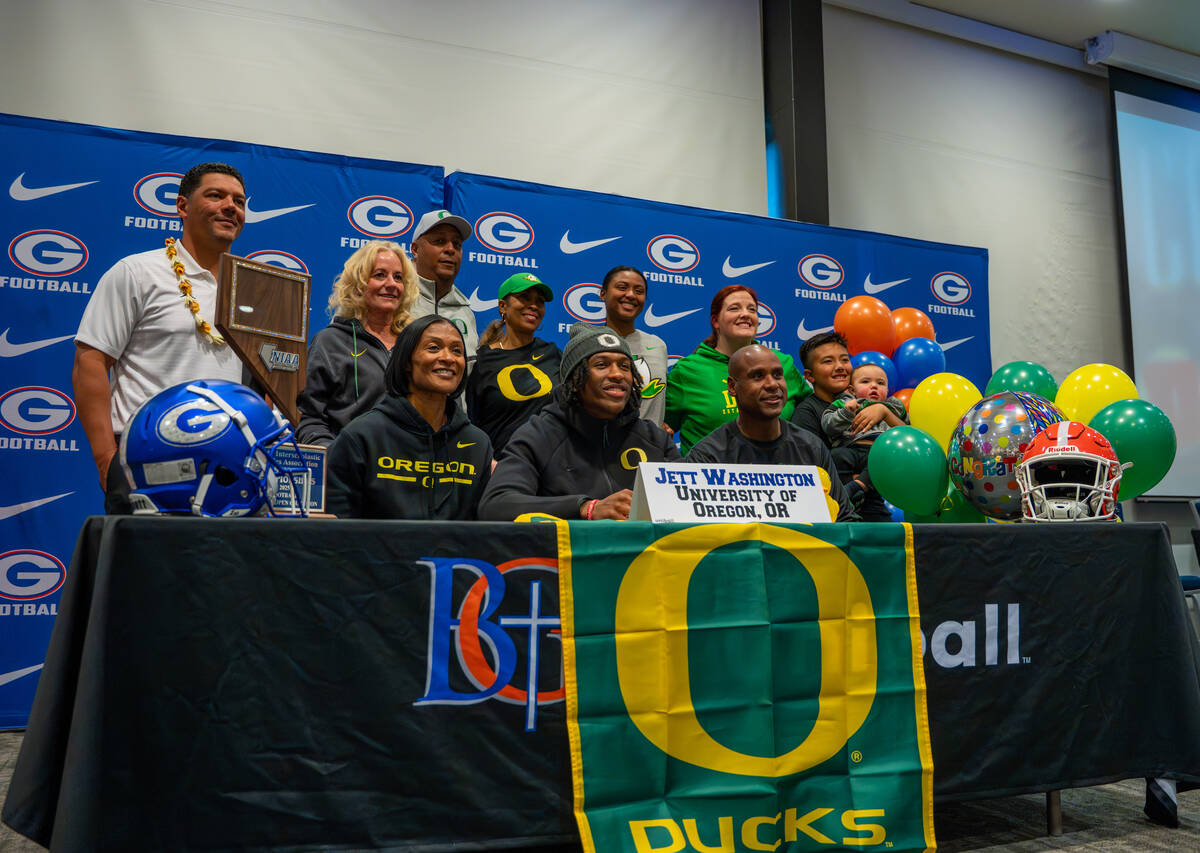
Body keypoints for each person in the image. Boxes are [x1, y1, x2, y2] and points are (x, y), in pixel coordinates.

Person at [73, 162, 248, 514]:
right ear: (182, 206)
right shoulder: (137, 272)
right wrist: (107, 460)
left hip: (230, 464)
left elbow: (268, 381)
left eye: (239, 201)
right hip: (147, 457)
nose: (231, 206)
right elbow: (90, 361)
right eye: (216, 195)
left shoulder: (254, 288)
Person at [478, 324, 680, 521]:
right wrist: (586, 508)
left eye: (625, 366)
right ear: (575, 379)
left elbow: (686, 505)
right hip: (567, 545)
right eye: (602, 365)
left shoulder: (654, 439)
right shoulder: (540, 435)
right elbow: (496, 504)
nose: (617, 374)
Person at [325, 315, 491, 520]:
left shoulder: (477, 444)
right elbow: (335, 528)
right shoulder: (361, 437)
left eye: (457, 351)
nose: (448, 358)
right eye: (434, 348)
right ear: (406, 362)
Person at [686, 345, 855, 521]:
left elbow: (845, 520)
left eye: (777, 375)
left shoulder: (812, 447)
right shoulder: (707, 457)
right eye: (758, 376)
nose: (773, 384)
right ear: (732, 387)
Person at [296, 240, 418, 446]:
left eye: (398, 277)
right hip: (351, 462)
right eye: (380, 275)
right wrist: (337, 457)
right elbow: (310, 420)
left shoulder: (415, 343)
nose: (391, 284)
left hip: (408, 462)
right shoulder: (330, 342)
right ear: (358, 284)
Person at [665, 284, 810, 455]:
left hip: (780, 468)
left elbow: (812, 412)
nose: (745, 314)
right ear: (715, 321)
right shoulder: (687, 371)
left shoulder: (782, 363)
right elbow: (661, 428)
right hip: (710, 469)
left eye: (752, 309)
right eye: (734, 308)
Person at [791, 332, 892, 521]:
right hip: (834, 514)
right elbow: (812, 472)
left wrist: (884, 412)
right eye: (828, 361)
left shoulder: (869, 403)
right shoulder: (807, 413)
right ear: (810, 376)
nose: (839, 367)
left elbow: (903, 440)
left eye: (844, 360)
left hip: (874, 508)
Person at [467, 273, 562, 452]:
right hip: (500, 464)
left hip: (549, 464)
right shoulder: (482, 361)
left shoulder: (554, 354)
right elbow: (471, 424)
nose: (534, 305)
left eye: (540, 301)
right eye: (524, 297)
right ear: (503, 306)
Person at [821, 362, 908, 504]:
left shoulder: (894, 407)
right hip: (851, 447)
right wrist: (847, 412)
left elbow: (908, 432)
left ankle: (858, 486)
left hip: (880, 450)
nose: (874, 386)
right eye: (865, 382)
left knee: (885, 462)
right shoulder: (845, 403)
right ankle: (845, 494)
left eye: (880, 383)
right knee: (837, 455)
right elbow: (828, 425)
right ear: (852, 390)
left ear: (887, 390)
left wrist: (888, 414)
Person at [598, 265, 668, 428]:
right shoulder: (587, 342)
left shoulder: (658, 345)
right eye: (622, 287)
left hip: (651, 442)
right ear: (603, 294)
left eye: (639, 291)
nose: (630, 295)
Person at [409, 209, 478, 367]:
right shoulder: (394, 297)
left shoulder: (465, 311)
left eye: (457, 244)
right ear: (415, 249)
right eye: (440, 241)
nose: (450, 249)